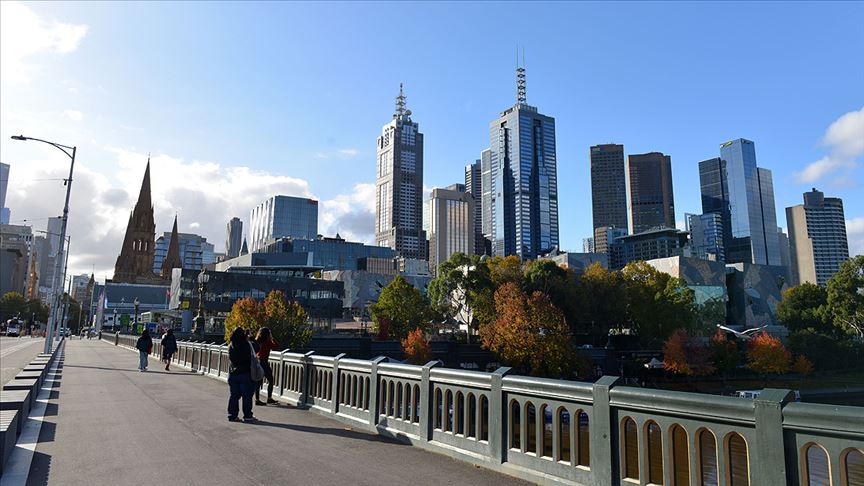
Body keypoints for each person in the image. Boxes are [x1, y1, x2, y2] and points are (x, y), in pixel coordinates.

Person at [227, 328, 255, 422]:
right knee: (247, 396)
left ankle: (232, 415)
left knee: (234, 396)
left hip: (233, 373)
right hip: (245, 373)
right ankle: (247, 416)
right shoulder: (247, 344)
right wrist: (251, 338)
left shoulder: (231, 346)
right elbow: (256, 349)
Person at [254, 327, 280, 405]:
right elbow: (277, 346)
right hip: (264, 362)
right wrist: (272, 337)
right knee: (270, 380)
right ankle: (269, 398)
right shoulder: (267, 342)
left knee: (258, 382)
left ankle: (257, 399)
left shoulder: (257, 341)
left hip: (257, 362)